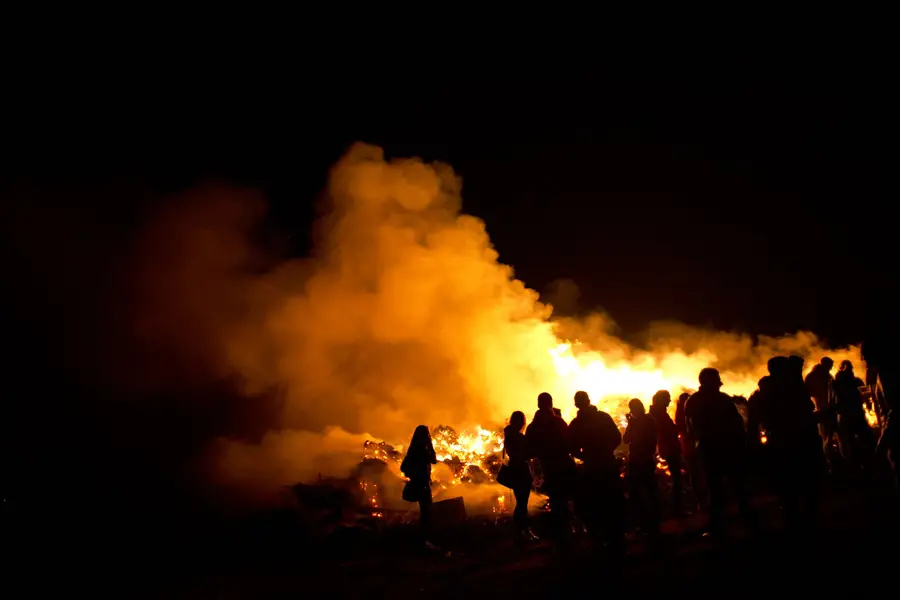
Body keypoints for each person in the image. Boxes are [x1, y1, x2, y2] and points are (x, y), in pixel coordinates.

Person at [685, 368, 754, 537]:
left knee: (716, 489)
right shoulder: (722, 400)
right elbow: (736, 424)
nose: (719, 384)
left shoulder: (693, 401)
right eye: (717, 381)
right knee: (737, 486)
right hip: (727, 449)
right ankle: (748, 522)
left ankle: (719, 526)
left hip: (709, 450)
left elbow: (690, 430)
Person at [568, 390, 626, 558]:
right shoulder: (603, 417)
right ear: (589, 401)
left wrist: (585, 456)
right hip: (608, 465)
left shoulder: (576, 424)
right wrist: (607, 451)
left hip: (593, 469)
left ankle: (599, 543)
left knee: (594, 506)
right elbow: (617, 437)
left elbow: (571, 448)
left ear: (577, 404)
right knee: (613, 503)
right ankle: (618, 541)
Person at [525, 392, 574, 546]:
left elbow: (529, 450)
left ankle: (560, 536)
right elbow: (570, 442)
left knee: (556, 500)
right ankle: (569, 532)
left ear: (538, 404)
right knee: (568, 498)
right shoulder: (558, 422)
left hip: (549, 467)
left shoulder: (533, 427)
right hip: (564, 465)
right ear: (550, 404)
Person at [623, 398, 661, 537]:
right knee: (649, 492)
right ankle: (652, 523)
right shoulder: (648, 420)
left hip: (640, 461)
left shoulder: (643, 421)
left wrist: (631, 424)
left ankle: (648, 524)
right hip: (642, 460)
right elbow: (626, 439)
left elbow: (627, 439)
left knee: (642, 492)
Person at [400, 425, 440, 551]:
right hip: (423, 486)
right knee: (427, 514)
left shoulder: (413, 449)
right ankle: (425, 542)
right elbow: (434, 460)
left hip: (418, 484)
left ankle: (421, 541)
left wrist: (412, 475)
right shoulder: (423, 450)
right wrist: (431, 446)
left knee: (425, 513)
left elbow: (403, 467)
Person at [833, 360, 875, 468]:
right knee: (850, 440)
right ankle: (857, 463)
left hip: (851, 414)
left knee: (853, 440)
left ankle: (859, 463)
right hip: (848, 414)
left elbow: (865, 393)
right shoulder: (837, 382)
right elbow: (833, 399)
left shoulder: (843, 382)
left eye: (850, 368)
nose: (849, 370)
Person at [503, 411, 538, 541]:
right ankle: (523, 530)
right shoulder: (517, 437)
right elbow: (526, 454)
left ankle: (522, 530)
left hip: (514, 469)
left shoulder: (509, 435)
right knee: (522, 503)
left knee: (521, 502)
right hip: (521, 470)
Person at [650, 390, 683, 516]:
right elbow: (668, 432)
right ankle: (677, 509)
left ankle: (676, 507)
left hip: (668, 448)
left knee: (677, 478)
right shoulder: (659, 415)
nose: (669, 401)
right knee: (676, 479)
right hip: (669, 449)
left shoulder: (658, 413)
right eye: (667, 398)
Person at [805, 357, 837, 455]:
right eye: (829, 366)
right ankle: (827, 454)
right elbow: (807, 393)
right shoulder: (812, 377)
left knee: (831, 434)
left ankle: (831, 451)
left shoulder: (829, 376)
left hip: (831, 409)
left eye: (831, 367)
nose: (830, 369)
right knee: (824, 433)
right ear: (823, 365)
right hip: (821, 410)